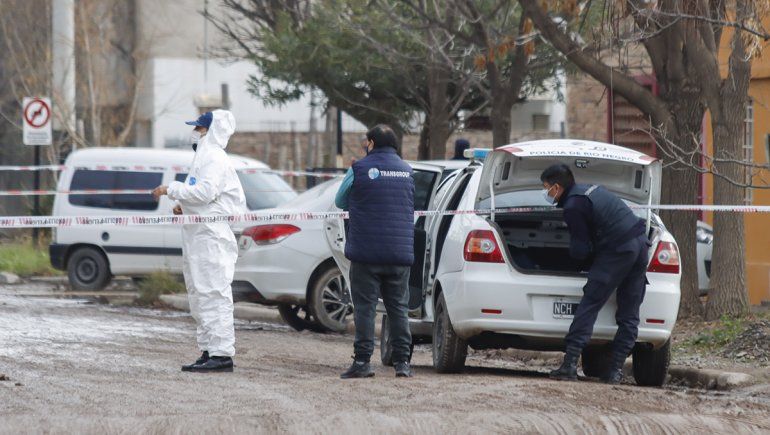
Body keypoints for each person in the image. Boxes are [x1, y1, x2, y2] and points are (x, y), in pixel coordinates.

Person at [152, 110, 246, 373]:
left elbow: (206, 192)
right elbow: (203, 197)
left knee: (214, 294)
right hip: (199, 234)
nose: (195, 133)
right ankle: (208, 349)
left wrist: (172, 189)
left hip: (212, 237)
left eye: (199, 128)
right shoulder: (203, 157)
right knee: (199, 294)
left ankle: (222, 354)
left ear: (211, 131)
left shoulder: (214, 157)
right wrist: (184, 205)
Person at [540, 164, 649, 384]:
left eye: (545, 187)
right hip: (640, 246)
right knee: (629, 313)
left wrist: (564, 261)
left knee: (590, 302)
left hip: (618, 250)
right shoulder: (591, 190)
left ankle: (570, 364)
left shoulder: (573, 206)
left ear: (556, 187)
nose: (545, 192)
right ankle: (615, 371)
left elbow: (580, 249)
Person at [335, 124, 415, 379]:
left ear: (371, 143)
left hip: (366, 252)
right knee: (398, 308)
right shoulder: (407, 170)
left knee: (365, 309)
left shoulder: (358, 168)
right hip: (399, 254)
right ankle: (402, 363)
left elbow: (340, 201)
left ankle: (362, 362)